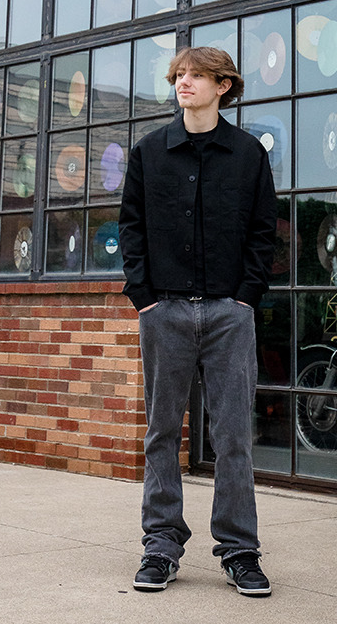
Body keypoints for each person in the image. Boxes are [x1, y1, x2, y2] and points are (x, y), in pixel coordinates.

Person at [119, 47, 277, 597]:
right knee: (162, 432)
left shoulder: (249, 154)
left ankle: (239, 551)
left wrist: (246, 298)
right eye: (179, 75)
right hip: (163, 310)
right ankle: (160, 546)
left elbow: (263, 232)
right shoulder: (149, 152)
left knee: (233, 435)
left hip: (229, 314)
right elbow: (131, 228)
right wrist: (143, 296)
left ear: (223, 86)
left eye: (197, 76)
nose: (183, 83)